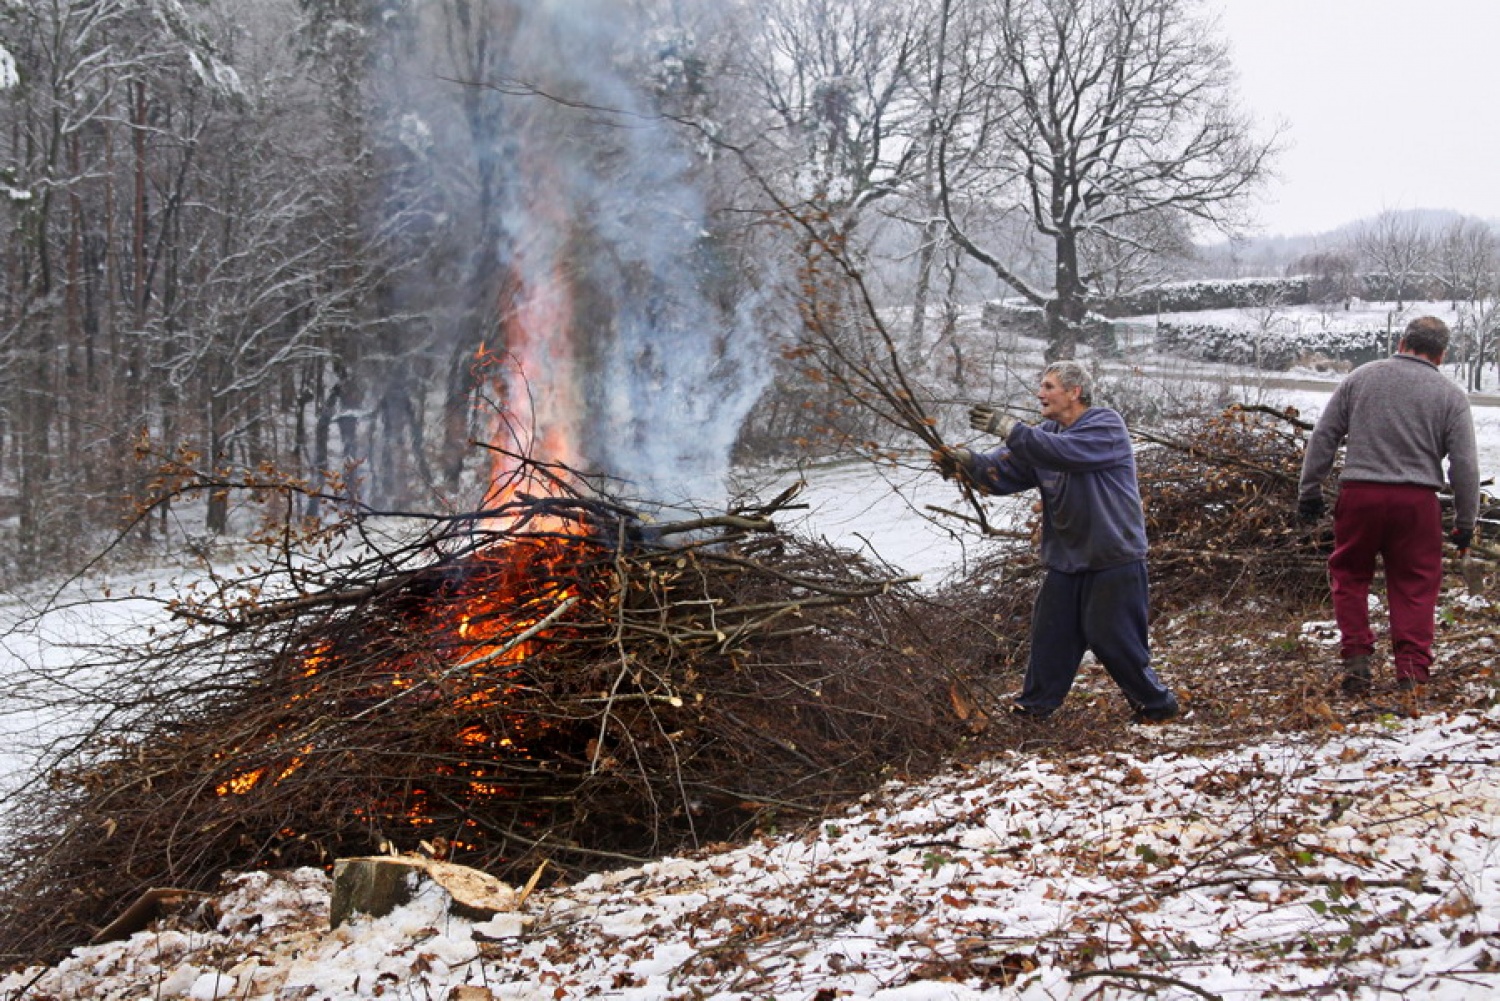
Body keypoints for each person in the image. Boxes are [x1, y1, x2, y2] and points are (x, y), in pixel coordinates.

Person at [933, 361, 1180, 723]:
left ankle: (1156, 705)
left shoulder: (1105, 425)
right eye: (1041, 386)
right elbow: (1006, 470)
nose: (1040, 394)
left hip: (1113, 555)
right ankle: (1034, 709)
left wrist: (1008, 427)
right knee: (1051, 634)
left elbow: (1061, 452)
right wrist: (967, 464)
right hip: (1067, 557)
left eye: (1049, 387)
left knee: (1112, 637)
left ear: (1074, 392)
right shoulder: (1046, 434)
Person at [1297, 315, 1479, 693]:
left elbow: (1324, 436)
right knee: (1415, 583)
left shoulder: (1360, 379)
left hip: (1360, 494)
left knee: (1349, 575)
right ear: (1441, 355)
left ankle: (1357, 660)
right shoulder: (1450, 396)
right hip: (1416, 502)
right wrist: (1466, 520)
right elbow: (1463, 464)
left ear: (1402, 343)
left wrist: (1309, 490)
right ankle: (1411, 673)